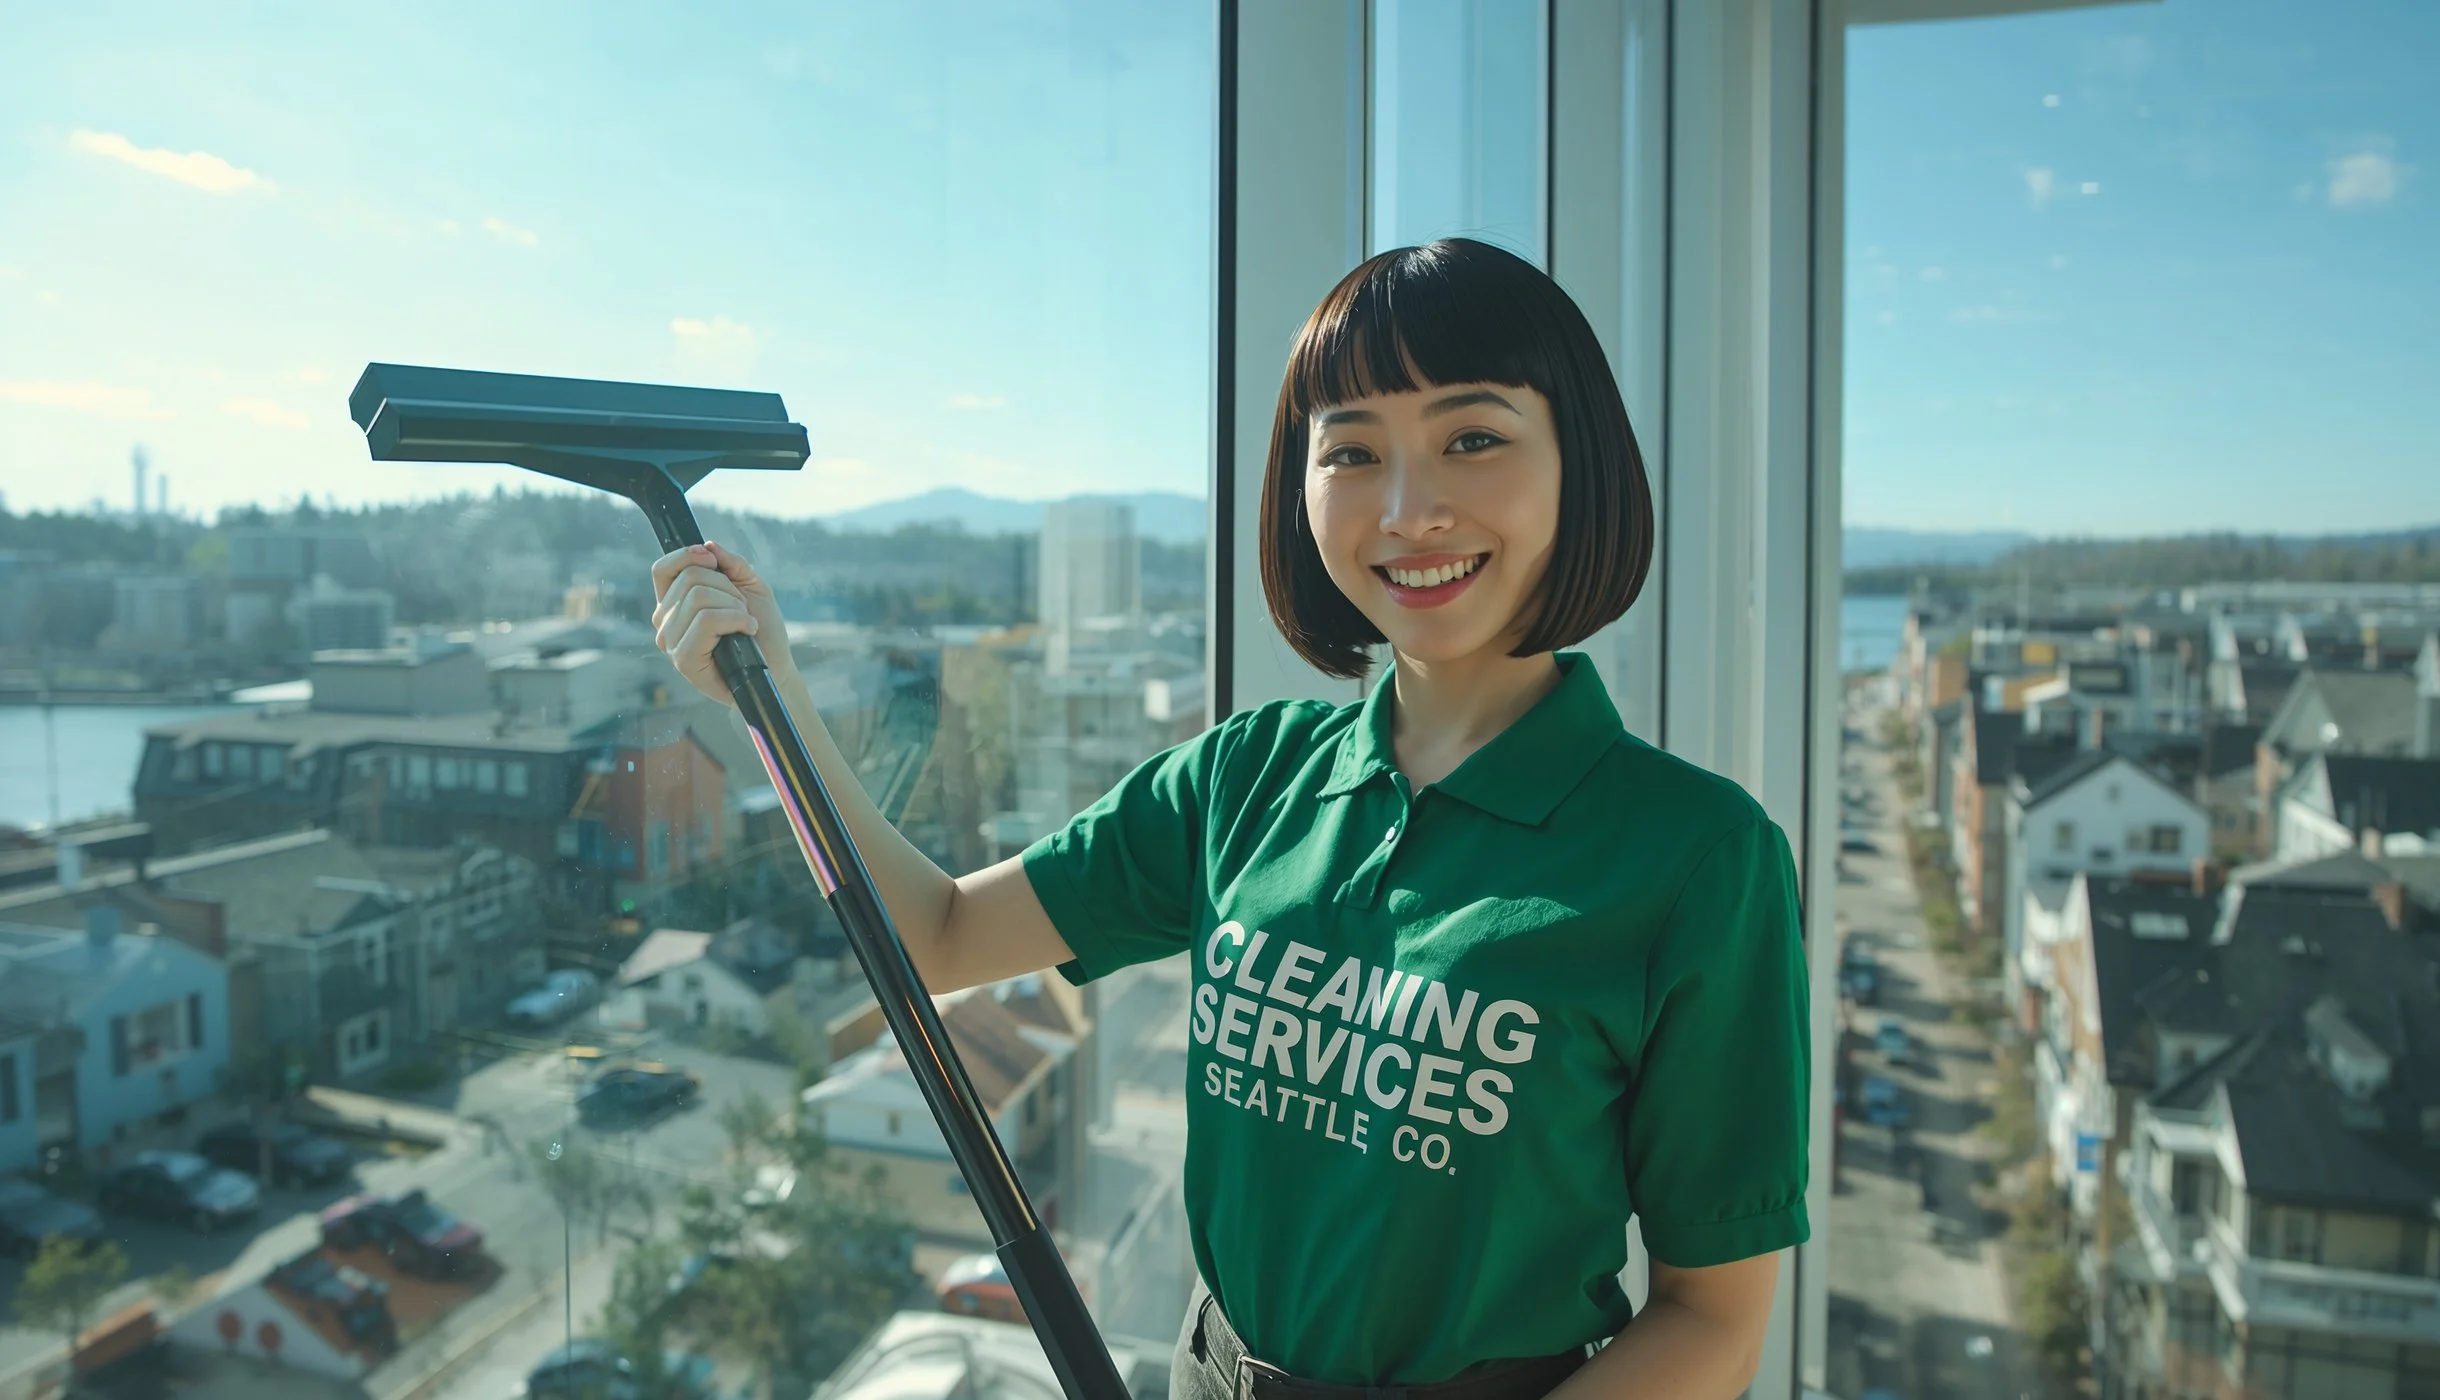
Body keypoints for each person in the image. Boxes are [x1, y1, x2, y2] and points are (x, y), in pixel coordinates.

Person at [651, 238, 1809, 1400]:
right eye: (1352, 451)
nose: (1409, 509)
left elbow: (1712, 1316)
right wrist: (779, 703)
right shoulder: (1246, 777)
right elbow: (940, 934)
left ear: (1579, 461)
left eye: (1473, 437)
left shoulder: (1697, 856)